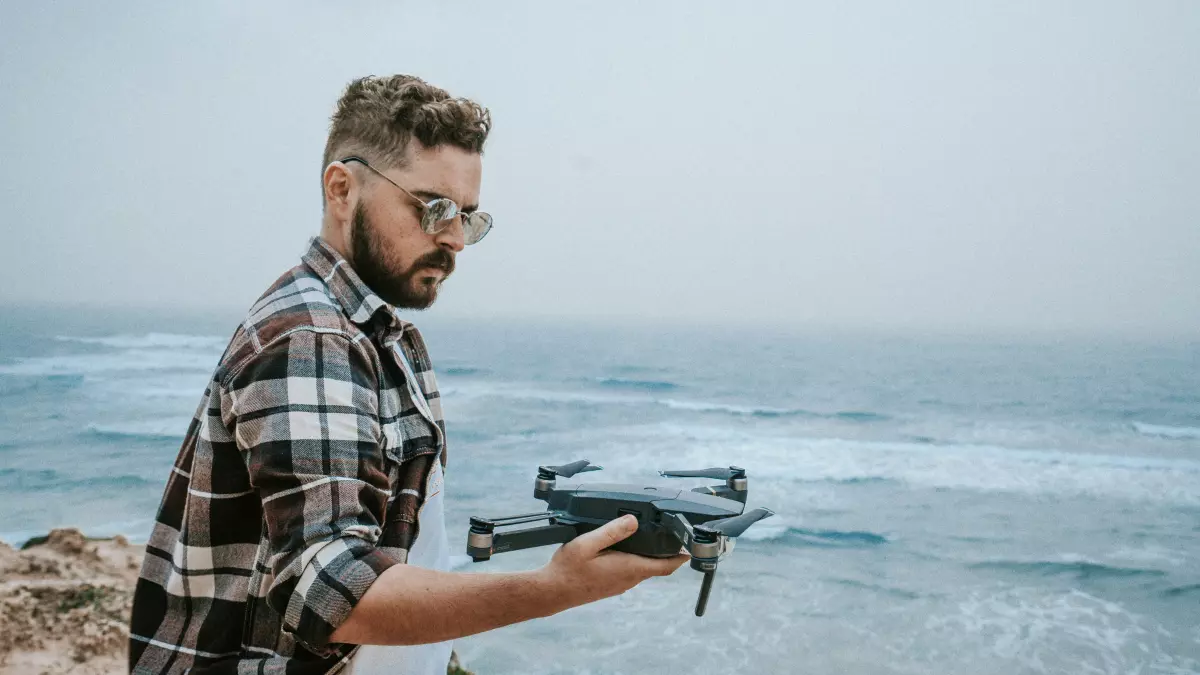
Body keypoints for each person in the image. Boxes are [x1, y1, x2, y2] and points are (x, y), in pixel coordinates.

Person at [127, 74, 688, 675]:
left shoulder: (383, 334)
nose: (454, 240)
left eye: (468, 217)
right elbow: (332, 594)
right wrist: (557, 587)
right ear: (342, 189)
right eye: (433, 208)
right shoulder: (311, 338)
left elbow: (402, 548)